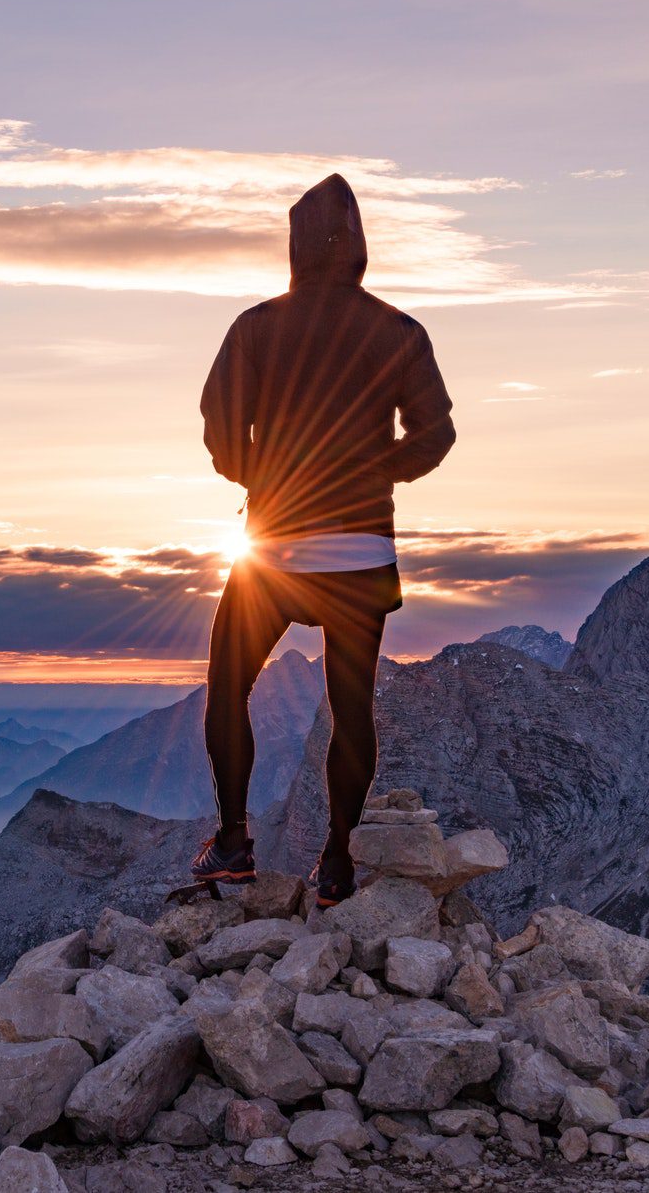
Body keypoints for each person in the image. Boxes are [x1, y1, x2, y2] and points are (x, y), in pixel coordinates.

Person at [191, 172, 456, 908]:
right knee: (352, 709)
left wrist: (262, 477)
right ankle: (336, 863)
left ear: (296, 244)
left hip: (274, 550)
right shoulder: (399, 332)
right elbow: (437, 432)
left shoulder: (256, 328)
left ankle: (234, 841)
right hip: (362, 555)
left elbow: (218, 429)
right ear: (360, 244)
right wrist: (382, 472)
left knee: (228, 685)